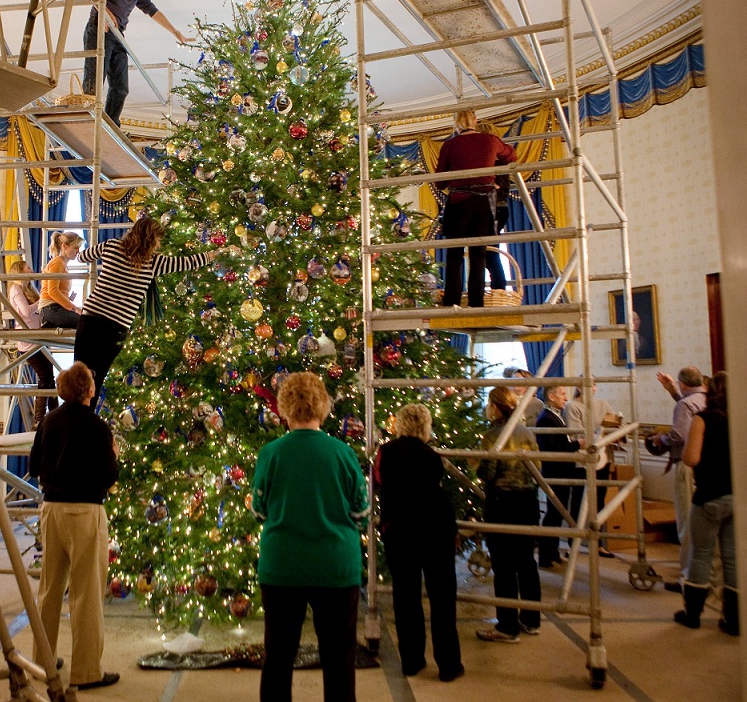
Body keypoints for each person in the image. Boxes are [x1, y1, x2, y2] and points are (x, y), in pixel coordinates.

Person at [251, 372, 369, 702]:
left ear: (283, 407)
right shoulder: (342, 453)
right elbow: (361, 511)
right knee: (339, 658)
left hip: (282, 566)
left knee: (277, 656)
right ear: (324, 406)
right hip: (336, 567)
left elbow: (259, 511)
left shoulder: (271, 453)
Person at [29, 362, 121, 690]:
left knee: (50, 588)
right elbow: (109, 475)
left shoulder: (50, 421)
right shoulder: (97, 427)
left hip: (51, 510)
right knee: (86, 591)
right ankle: (86, 672)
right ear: (88, 390)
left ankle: (41, 659)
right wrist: (114, 455)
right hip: (85, 512)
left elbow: (34, 465)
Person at [73, 217, 235, 403]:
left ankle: (68, 422)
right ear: (150, 239)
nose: (158, 245)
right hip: (115, 328)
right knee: (96, 379)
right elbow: (189, 262)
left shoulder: (111, 246)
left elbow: (82, 257)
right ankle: (83, 423)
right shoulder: (153, 263)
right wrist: (219, 252)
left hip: (90, 319)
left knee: (78, 374)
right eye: (157, 240)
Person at [374, 403, 463, 682]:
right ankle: (448, 664)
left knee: (406, 595)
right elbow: (438, 493)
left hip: (399, 530)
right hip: (435, 530)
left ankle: (411, 660)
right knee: (442, 598)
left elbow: (377, 481)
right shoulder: (431, 456)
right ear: (426, 426)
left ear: (398, 424)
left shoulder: (385, 453)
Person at [82, 0, 191, 123]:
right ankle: (88, 117)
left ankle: (111, 124)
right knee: (95, 79)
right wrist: (107, 16)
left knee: (121, 87)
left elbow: (152, 10)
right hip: (99, 30)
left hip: (118, 36)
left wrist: (174, 31)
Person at [474, 386, 542, 642]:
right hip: (527, 501)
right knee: (526, 561)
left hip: (501, 503)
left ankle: (507, 626)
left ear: (494, 406)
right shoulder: (526, 432)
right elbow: (537, 467)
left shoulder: (493, 435)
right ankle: (532, 619)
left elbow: (487, 473)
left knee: (503, 565)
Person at [673, 371, 738, 634]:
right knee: (732, 558)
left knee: (701, 554)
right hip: (736, 495)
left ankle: (693, 614)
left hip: (710, 495)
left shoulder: (704, 419)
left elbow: (690, 459)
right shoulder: (742, 419)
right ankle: (734, 620)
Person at [433, 109, 515, 307]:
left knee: (454, 255)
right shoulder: (491, 140)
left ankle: (451, 300)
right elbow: (511, 155)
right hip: (482, 203)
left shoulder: (450, 145)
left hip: (458, 202)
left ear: (456, 124)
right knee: (478, 254)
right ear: (475, 121)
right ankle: (476, 302)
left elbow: (439, 181)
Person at [650, 366, 707, 590]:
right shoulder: (707, 399)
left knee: (686, 520)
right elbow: (689, 404)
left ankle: (687, 577)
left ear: (683, 384)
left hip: (687, 465)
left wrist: (660, 439)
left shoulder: (685, 404)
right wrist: (672, 390)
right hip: (705, 466)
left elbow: (679, 434)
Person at [565, 384, 619, 558]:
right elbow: (577, 435)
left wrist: (610, 435)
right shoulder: (572, 406)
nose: (592, 388)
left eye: (594, 385)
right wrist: (601, 437)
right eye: (588, 385)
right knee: (579, 500)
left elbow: (618, 424)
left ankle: (599, 542)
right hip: (583, 459)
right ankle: (574, 541)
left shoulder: (602, 404)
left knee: (599, 499)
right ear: (579, 387)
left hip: (603, 458)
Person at [535, 385, 581, 567]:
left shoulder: (554, 416)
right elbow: (554, 449)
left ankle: (552, 552)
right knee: (553, 515)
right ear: (551, 396)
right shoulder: (546, 419)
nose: (565, 397)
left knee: (557, 514)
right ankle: (546, 556)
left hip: (562, 471)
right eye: (562, 393)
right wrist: (577, 444)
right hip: (555, 472)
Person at [8, 260, 56, 428]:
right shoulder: (16, 289)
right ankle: (39, 419)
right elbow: (26, 312)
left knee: (50, 376)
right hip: (29, 340)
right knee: (45, 376)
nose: (31, 269)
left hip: (39, 337)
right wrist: (42, 300)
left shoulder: (30, 289)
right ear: (20, 271)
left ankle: (54, 414)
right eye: (28, 267)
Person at [477, 119, 512, 294]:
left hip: (495, 209)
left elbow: (502, 189)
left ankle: (499, 291)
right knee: (486, 253)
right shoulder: (497, 161)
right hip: (491, 209)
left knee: (490, 253)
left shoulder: (497, 162)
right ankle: (497, 290)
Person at [39, 232, 83, 329]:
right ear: (64, 246)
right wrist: (74, 308)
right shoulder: (57, 262)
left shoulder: (62, 264)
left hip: (54, 308)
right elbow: (52, 291)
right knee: (86, 323)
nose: (78, 251)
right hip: (51, 309)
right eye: (75, 247)